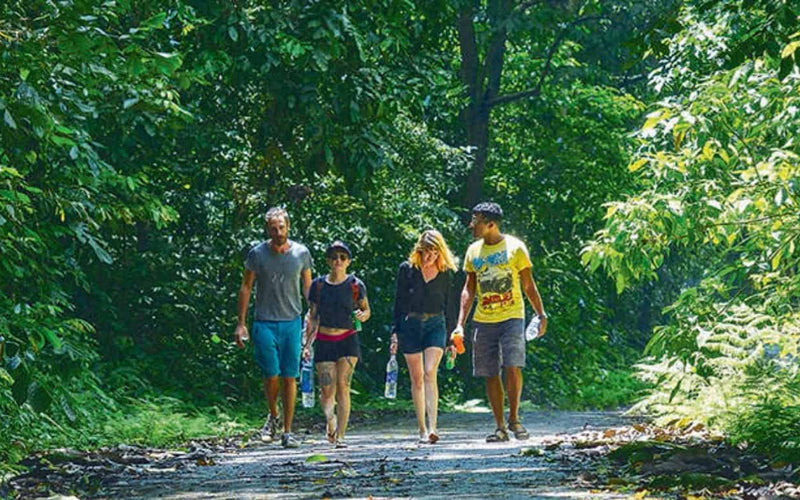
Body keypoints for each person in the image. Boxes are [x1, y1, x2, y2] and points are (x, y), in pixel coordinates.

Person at [451, 202, 547, 443]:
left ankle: (514, 419)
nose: (471, 225)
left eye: (476, 221)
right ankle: (500, 427)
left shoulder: (515, 248)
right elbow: (468, 289)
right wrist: (460, 323)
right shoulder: (473, 251)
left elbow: (528, 284)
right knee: (490, 372)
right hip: (484, 319)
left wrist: (541, 314)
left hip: (512, 315)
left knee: (512, 366)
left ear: (491, 224)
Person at [234, 207, 313, 448]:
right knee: (271, 374)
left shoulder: (301, 253)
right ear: (267, 229)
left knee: (290, 377)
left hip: (291, 321)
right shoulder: (257, 254)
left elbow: (308, 287)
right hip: (264, 321)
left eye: (281, 227)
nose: (278, 231)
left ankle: (288, 431)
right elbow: (246, 287)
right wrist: (240, 323)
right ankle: (273, 415)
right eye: (273, 228)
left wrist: (313, 315)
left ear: (288, 226)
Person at [390, 229, 458, 444]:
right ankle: (421, 428)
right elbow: (398, 303)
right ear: (419, 251)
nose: (429, 258)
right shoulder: (407, 270)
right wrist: (394, 333)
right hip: (410, 325)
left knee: (430, 372)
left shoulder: (446, 273)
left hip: (436, 325)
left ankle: (433, 427)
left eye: (434, 253)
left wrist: (452, 338)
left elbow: (451, 307)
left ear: (440, 253)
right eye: (426, 252)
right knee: (417, 378)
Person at [303, 241, 370, 448]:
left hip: (348, 339)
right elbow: (312, 316)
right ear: (327, 261)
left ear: (348, 261)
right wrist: (306, 344)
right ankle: (330, 419)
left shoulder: (356, 285)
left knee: (344, 386)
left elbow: (366, 311)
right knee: (326, 390)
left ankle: (341, 435)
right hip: (324, 340)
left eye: (342, 257)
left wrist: (363, 315)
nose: (337, 261)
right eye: (333, 257)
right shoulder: (318, 285)